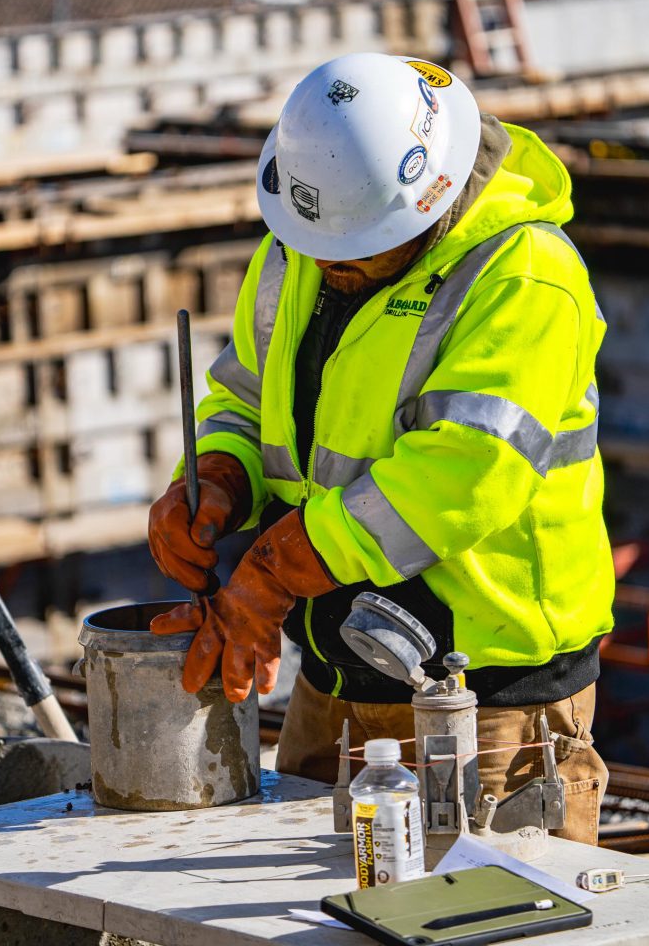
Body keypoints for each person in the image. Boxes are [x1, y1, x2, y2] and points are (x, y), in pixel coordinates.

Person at [148, 52, 614, 845]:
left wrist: (266, 574)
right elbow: (248, 395)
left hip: (486, 698)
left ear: (426, 207)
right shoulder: (312, 242)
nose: (327, 267)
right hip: (332, 676)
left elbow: (462, 474)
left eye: (351, 250)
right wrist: (219, 474)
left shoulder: (523, 275)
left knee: (473, 920)